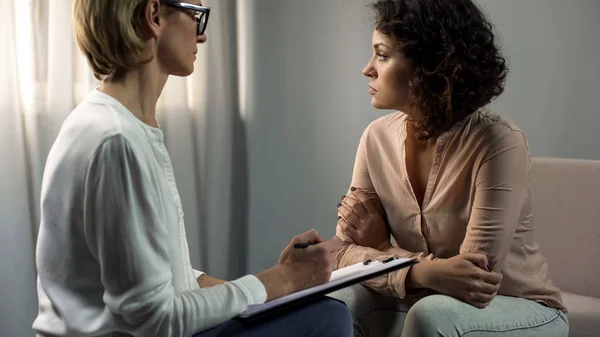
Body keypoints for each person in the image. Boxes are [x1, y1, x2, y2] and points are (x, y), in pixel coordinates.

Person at [32, 1, 352, 336]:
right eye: (196, 16)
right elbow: (156, 321)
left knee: (312, 310)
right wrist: (280, 280)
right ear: (154, 16)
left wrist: (275, 285)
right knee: (327, 317)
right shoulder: (117, 140)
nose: (202, 36)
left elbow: (165, 277)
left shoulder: (114, 124)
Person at [328, 0, 569, 336]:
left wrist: (383, 250)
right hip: (424, 299)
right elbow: (341, 254)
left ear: (429, 65)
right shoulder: (375, 138)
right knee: (339, 299)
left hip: (520, 307)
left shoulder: (498, 141)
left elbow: (475, 281)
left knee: (432, 314)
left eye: (382, 55)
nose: (367, 69)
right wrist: (421, 273)